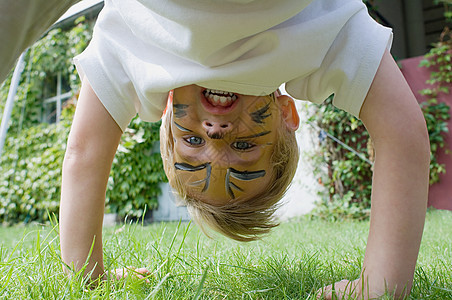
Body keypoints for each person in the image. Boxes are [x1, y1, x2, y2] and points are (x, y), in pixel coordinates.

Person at [1, 0, 430, 299]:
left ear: (167, 115)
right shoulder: (321, 42)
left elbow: (83, 154)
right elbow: (403, 135)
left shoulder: (137, 58)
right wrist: (382, 283)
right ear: (287, 115)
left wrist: (85, 274)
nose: (216, 132)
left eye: (192, 143)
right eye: (243, 145)